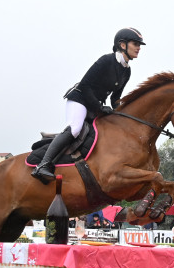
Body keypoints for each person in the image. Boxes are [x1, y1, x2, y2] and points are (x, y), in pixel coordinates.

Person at [31, 27, 146, 184]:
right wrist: (99, 108)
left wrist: (122, 113)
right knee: (76, 128)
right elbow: (85, 85)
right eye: (135, 43)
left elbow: (115, 98)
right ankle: (43, 164)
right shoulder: (106, 61)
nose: (139, 47)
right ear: (122, 44)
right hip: (80, 99)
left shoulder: (127, 71)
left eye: (139, 44)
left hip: (95, 105)